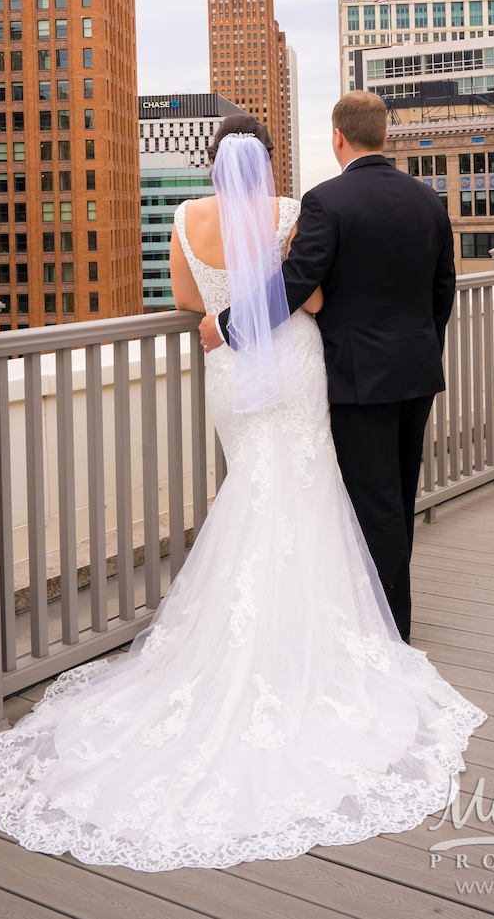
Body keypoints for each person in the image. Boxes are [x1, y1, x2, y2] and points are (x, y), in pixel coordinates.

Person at [0, 110, 483, 873]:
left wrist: (225, 316)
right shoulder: (295, 210)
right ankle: (362, 628)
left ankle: (266, 632)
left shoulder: (185, 219)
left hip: (231, 374)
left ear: (212, 162)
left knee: (253, 487)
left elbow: (189, 300)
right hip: (318, 368)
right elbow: (311, 298)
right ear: (269, 161)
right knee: (324, 493)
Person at [200, 92, 456, 642]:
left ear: (338, 137)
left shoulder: (327, 202)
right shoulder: (429, 201)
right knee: (399, 499)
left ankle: (387, 633)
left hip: (359, 377)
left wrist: (226, 326)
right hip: (416, 371)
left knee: (373, 505)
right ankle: (391, 617)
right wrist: (424, 352)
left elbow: (295, 283)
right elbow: (442, 294)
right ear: (384, 136)